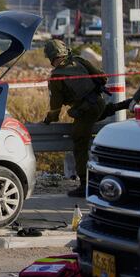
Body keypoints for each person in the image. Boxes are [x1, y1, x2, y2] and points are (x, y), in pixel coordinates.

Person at [41, 40, 106, 197]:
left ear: (50, 57)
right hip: (99, 103)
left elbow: (55, 109)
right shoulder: (79, 60)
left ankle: (84, 184)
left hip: (86, 112)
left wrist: (48, 120)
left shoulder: (56, 77)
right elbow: (102, 77)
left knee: (79, 143)